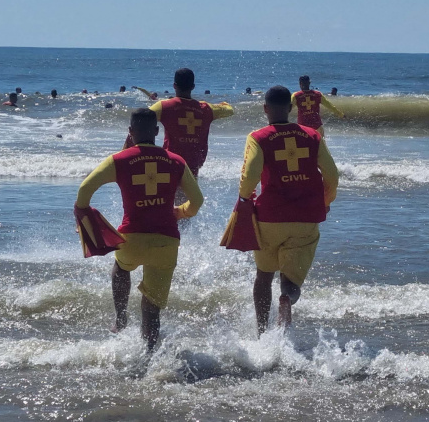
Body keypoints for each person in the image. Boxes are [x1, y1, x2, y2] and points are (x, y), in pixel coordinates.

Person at [75, 108, 203, 352]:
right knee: (152, 308)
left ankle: (120, 318)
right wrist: (180, 211)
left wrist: (83, 214)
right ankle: (150, 354)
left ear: (131, 132)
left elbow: (84, 191)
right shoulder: (176, 161)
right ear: (156, 131)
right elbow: (197, 201)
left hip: (131, 239)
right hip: (166, 243)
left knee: (121, 268)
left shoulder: (119, 160)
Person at [238, 85, 338, 335]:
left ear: (265, 109)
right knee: (290, 282)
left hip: (269, 217)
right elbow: (332, 175)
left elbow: (250, 176)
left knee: (263, 276)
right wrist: (326, 201)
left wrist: (244, 198)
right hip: (304, 219)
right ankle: (287, 300)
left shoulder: (258, 137)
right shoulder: (312, 135)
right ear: (292, 108)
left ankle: (262, 334)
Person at [125, 69, 234, 178]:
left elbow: (140, 120)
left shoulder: (164, 107)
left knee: (170, 193)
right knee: (189, 193)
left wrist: (126, 153)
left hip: (169, 163)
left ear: (174, 86)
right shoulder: (206, 109)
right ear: (193, 87)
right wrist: (222, 103)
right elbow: (230, 110)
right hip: (194, 165)